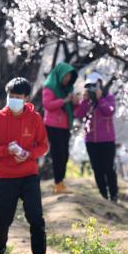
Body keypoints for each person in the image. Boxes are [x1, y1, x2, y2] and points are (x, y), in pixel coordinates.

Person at [0, 77, 52, 254]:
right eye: (10, 96)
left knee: (36, 217)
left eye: (17, 97)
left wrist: (29, 154)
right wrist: (7, 150)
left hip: (29, 175)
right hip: (5, 176)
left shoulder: (35, 118)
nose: (13, 100)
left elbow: (43, 145)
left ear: (26, 98)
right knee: (3, 217)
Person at [74, 71, 118, 201]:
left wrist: (100, 99)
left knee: (108, 168)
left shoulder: (108, 98)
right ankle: (103, 195)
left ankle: (114, 194)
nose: (92, 88)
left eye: (94, 85)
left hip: (107, 140)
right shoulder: (86, 101)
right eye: (89, 86)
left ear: (100, 84)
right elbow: (79, 115)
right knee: (97, 169)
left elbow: (109, 112)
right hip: (91, 140)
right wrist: (84, 101)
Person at [41, 62, 79, 194]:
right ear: (60, 75)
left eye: (69, 76)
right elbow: (47, 105)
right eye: (66, 76)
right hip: (52, 125)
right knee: (58, 154)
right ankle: (58, 183)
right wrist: (64, 101)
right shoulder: (49, 87)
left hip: (64, 125)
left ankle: (61, 182)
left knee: (65, 154)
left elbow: (71, 109)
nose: (67, 79)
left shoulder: (67, 89)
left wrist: (75, 102)